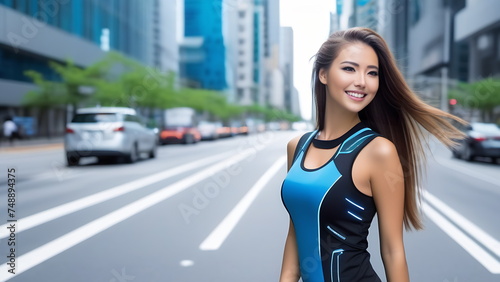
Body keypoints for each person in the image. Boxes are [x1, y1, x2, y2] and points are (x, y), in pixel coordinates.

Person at [279, 27, 465, 282]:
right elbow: (296, 234)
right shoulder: (296, 146)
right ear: (323, 74)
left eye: (372, 73)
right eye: (349, 69)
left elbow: (393, 251)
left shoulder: (379, 151)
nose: (362, 81)